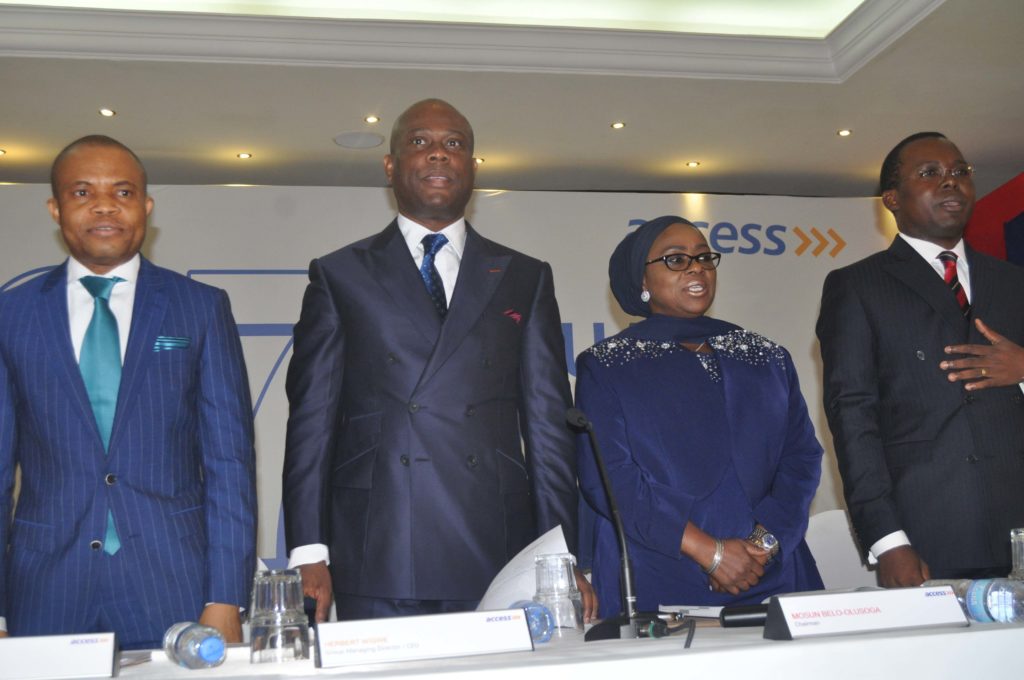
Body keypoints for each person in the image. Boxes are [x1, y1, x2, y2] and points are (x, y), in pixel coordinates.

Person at [282, 98, 595, 622]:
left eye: (454, 144)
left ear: (472, 165)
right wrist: (309, 551)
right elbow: (311, 423)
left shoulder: (524, 275)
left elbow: (547, 428)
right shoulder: (340, 275)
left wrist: (561, 556)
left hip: (495, 544)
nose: (438, 155)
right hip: (379, 542)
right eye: (420, 142)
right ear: (390, 165)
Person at [0, 135, 257, 648]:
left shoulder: (200, 309)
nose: (103, 206)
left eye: (122, 192)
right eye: (81, 192)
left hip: (174, 584)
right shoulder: (12, 314)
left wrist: (226, 596)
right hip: (46, 588)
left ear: (147, 206)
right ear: (55, 208)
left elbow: (230, 463)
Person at [575, 216, 824, 616]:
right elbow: (609, 477)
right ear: (641, 280)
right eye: (676, 260)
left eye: (704, 257)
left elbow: (802, 459)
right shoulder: (606, 365)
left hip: (770, 570)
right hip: (660, 571)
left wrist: (761, 546)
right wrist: (708, 552)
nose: (697, 268)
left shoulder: (766, 356)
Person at [817, 132, 1024, 586]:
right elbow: (853, 418)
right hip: (929, 536)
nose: (951, 182)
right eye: (930, 173)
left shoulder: (1013, 281)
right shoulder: (857, 287)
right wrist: (888, 540)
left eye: (960, 172)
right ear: (891, 198)